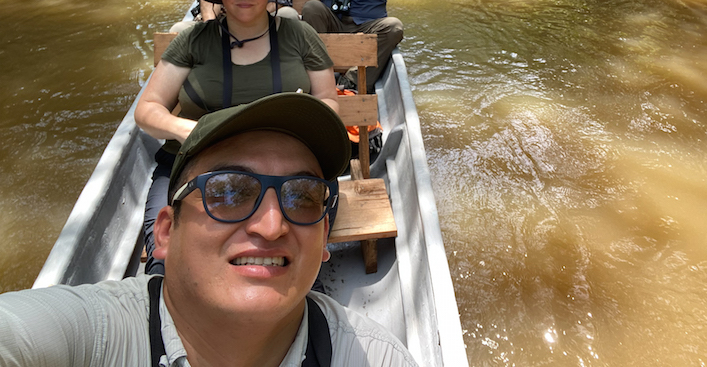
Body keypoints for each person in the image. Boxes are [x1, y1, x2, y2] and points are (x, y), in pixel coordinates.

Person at [0, 93, 420, 366]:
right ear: (164, 232)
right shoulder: (91, 338)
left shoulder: (374, 356)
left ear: (324, 237)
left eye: (303, 195)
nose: (273, 226)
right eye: (228, 192)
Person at [135, 0, 338, 275]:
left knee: (297, 262)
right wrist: (193, 130)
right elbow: (147, 110)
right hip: (194, 164)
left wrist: (300, 127)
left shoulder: (299, 35)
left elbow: (328, 101)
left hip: (282, 169)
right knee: (165, 261)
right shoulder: (193, 40)